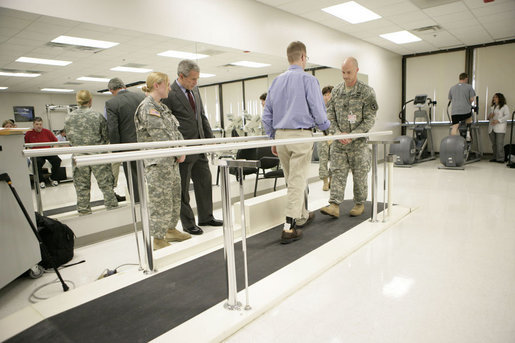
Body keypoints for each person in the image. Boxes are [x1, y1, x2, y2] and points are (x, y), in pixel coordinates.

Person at [262, 41, 330, 244]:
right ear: (303, 57)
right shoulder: (309, 80)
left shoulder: (276, 82)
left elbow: (267, 114)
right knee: (297, 180)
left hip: (282, 136)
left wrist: (272, 137)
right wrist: (326, 129)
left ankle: (301, 215)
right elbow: (318, 111)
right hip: (300, 136)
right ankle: (289, 226)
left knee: (292, 179)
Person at [161, 59, 223, 236]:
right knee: (182, 190)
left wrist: (210, 139)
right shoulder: (170, 93)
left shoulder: (195, 90)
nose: (195, 82)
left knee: (204, 182)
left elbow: (201, 116)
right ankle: (188, 224)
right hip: (183, 149)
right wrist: (176, 148)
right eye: (192, 79)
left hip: (199, 146)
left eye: (197, 79)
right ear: (181, 76)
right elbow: (168, 124)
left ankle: (206, 216)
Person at [135, 72, 191, 250]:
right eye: (167, 84)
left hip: (171, 161)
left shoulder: (162, 108)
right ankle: (158, 238)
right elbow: (160, 136)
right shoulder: (147, 108)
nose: (170, 88)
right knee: (160, 201)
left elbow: (175, 131)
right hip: (158, 163)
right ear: (157, 85)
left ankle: (170, 229)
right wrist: (177, 151)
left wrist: (181, 149)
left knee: (174, 197)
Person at [320, 57, 378, 219]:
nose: (345, 76)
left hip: (358, 143)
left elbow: (370, 119)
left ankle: (359, 203)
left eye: (349, 72)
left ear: (357, 70)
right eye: (343, 72)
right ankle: (334, 205)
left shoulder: (366, 92)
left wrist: (352, 136)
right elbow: (329, 115)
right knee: (337, 172)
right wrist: (338, 133)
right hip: (339, 142)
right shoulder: (337, 91)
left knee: (359, 174)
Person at [64, 90, 118, 215]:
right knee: (106, 186)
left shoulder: (69, 117)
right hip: (97, 155)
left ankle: (84, 213)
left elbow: (69, 137)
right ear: (90, 100)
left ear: (77, 101)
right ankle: (113, 211)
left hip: (78, 156)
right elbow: (105, 136)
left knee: (82, 187)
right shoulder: (97, 116)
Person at [105, 77, 146, 202]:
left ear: (112, 90)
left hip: (128, 146)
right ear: (124, 86)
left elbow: (113, 129)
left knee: (133, 176)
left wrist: (116, 151)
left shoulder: (112, 103)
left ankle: (139, 203)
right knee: (146, 173)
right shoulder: (141, 97)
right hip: (145, 143)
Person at [24, 117, 62, 188]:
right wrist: (29, 151)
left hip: (47, 152)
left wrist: (54, 149)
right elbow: (26, 145)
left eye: (40, 124)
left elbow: (55, 142)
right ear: (33, 124)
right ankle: (41, 180)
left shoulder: (47, 132)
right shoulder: (29, 133)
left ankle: (53, 178)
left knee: (57, 160)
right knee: (37, 163)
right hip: (36, 153)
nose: (39, 126)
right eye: (37, 124)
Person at [488, 93, 510, 163]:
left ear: (500, 98)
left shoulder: (504, 107)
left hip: (500, 128)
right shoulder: (492, 107)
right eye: (494, 97)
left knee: (499, 144)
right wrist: (489, 116)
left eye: (496, 97)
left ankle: (500, 158)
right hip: (492, 127)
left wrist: (498, 121)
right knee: (494, 144)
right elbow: (489, 117)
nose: (494, 99)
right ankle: (495, 157)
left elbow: (507, 116)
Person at [319, 85, 334, 191]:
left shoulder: (337, 107)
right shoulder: (319, 109)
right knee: (323, 160)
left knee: (335, 160)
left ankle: (332, 181)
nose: (327, 97)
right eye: (325, 94)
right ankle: (325, 181)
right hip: (323, 136)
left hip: (334, 137)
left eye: (329, 94)